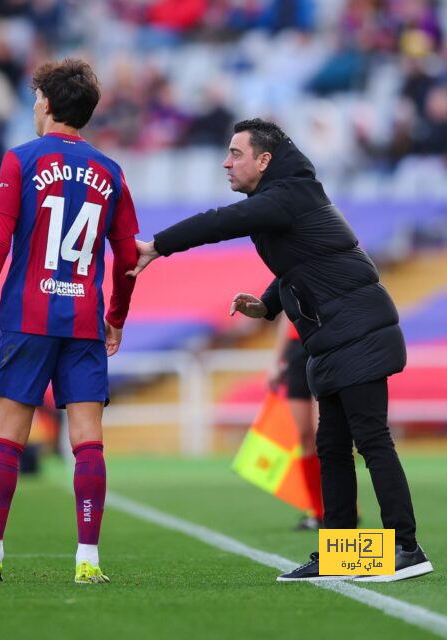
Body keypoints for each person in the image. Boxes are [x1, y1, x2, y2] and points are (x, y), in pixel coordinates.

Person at [127, 118, 433, 583]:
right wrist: (268, 304)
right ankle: (344, 555)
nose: (226, 162)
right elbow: (309, 260)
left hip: (360, 332)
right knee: (331, 447)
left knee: (371, 441)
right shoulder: (286, 198)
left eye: (236, 153)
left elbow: (220, 222)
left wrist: (159, 246)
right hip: (336, 337)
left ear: (264, 160)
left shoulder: (287, 195)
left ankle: (407, 549)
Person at [0, 58, 139, 585]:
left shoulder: (21, 160)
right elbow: (129, 255)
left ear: (46, 103)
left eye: (37, 96)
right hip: (84, 319)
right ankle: (88, 562)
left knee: (9, 439)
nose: (34, 103)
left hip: (27, 317)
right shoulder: (110, 171)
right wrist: (117, 316)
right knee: (88, 441)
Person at [270, 315, 323, 531]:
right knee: (304, 437)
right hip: (296, 350)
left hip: (324, 342)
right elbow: (285, 314)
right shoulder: (290, 281)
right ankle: (317, 512)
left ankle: (343, 507)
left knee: (325, 436)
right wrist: (276, 361)